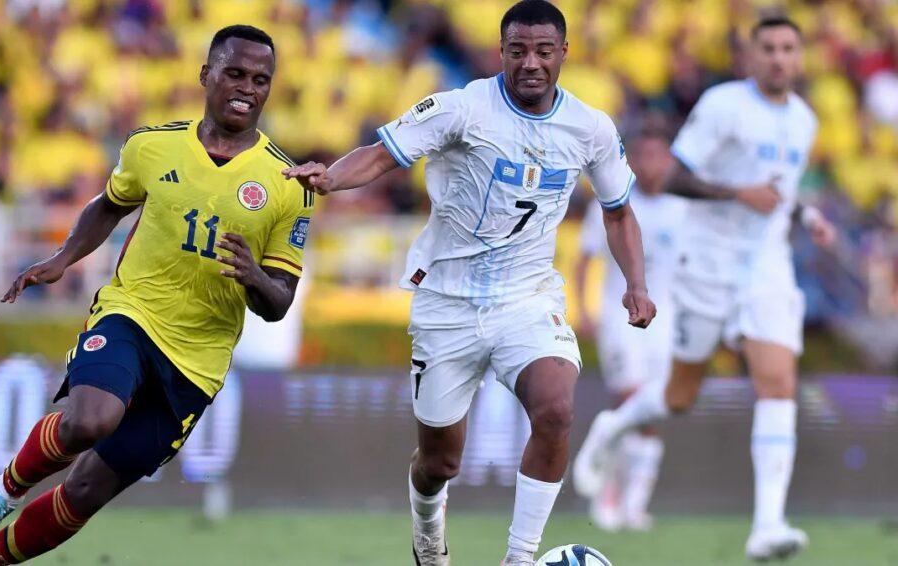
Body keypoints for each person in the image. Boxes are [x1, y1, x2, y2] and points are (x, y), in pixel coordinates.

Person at [284, 2, 655, 564]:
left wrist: (636, 283)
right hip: (446, 303)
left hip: (527, 299)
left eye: (543, 51)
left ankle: (519, 556)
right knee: (439, 464)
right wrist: (331, 178)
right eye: (518, 50)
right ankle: (428, 528)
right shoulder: (462, 108)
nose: (531, 62)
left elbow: (620, 211)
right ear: (500, 51)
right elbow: (383, 154)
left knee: (555, 409)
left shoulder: (591, 128)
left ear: (564, 54)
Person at [0, 25, 314, 565]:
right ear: (205, 74)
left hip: (196, 362)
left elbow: (279, 302)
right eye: (235, 73)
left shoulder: (288, 183)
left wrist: (255, 276)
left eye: (261, 80)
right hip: (132, 313)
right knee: (90, 420)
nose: (247, 88)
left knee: (86, 491)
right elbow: (109, 204)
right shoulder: (151, 145)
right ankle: (3, 491)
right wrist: (62, 258)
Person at [572, 16, 836, 561]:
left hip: (766, 266)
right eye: (769, 49)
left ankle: (767, 524)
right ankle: (614, 425)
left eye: (789, 49)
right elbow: (674, 178)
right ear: (751, 55)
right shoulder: (722, 106)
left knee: (777, 381)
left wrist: (807, 216)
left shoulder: (805, 121)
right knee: (679, 396)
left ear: (801, 57)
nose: (780, 58)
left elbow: (778, 195)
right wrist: (738, 194)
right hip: (707, 263)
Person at [572, 130, 684, 532]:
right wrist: (582, 308)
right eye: (647, 155)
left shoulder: (682, 208)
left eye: (661, 155)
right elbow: (584, 259)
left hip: (668, 323)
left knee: (653, 410)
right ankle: (608, 496)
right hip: (620, 318)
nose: (655, 164)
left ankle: (635, 506)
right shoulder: (614, 199)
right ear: (634, 160)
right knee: (630, 399)